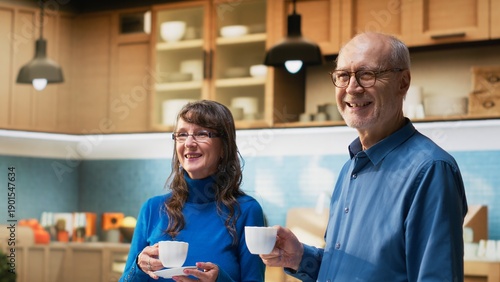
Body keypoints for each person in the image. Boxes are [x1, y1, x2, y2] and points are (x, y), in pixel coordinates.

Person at [260, 32, 468, 281]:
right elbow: (353, 270)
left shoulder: (431, 170)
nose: (352, 88)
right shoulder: (350, 168)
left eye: (367, 74)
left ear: (403, 82)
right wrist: (301, 258)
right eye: (343, 76)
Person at [120, 100, 266, 282]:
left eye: (201, 134)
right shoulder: (152, 209)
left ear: (224, 147)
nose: (189, 143)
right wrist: (140, 267)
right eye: (182, 135)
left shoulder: (247, 210)